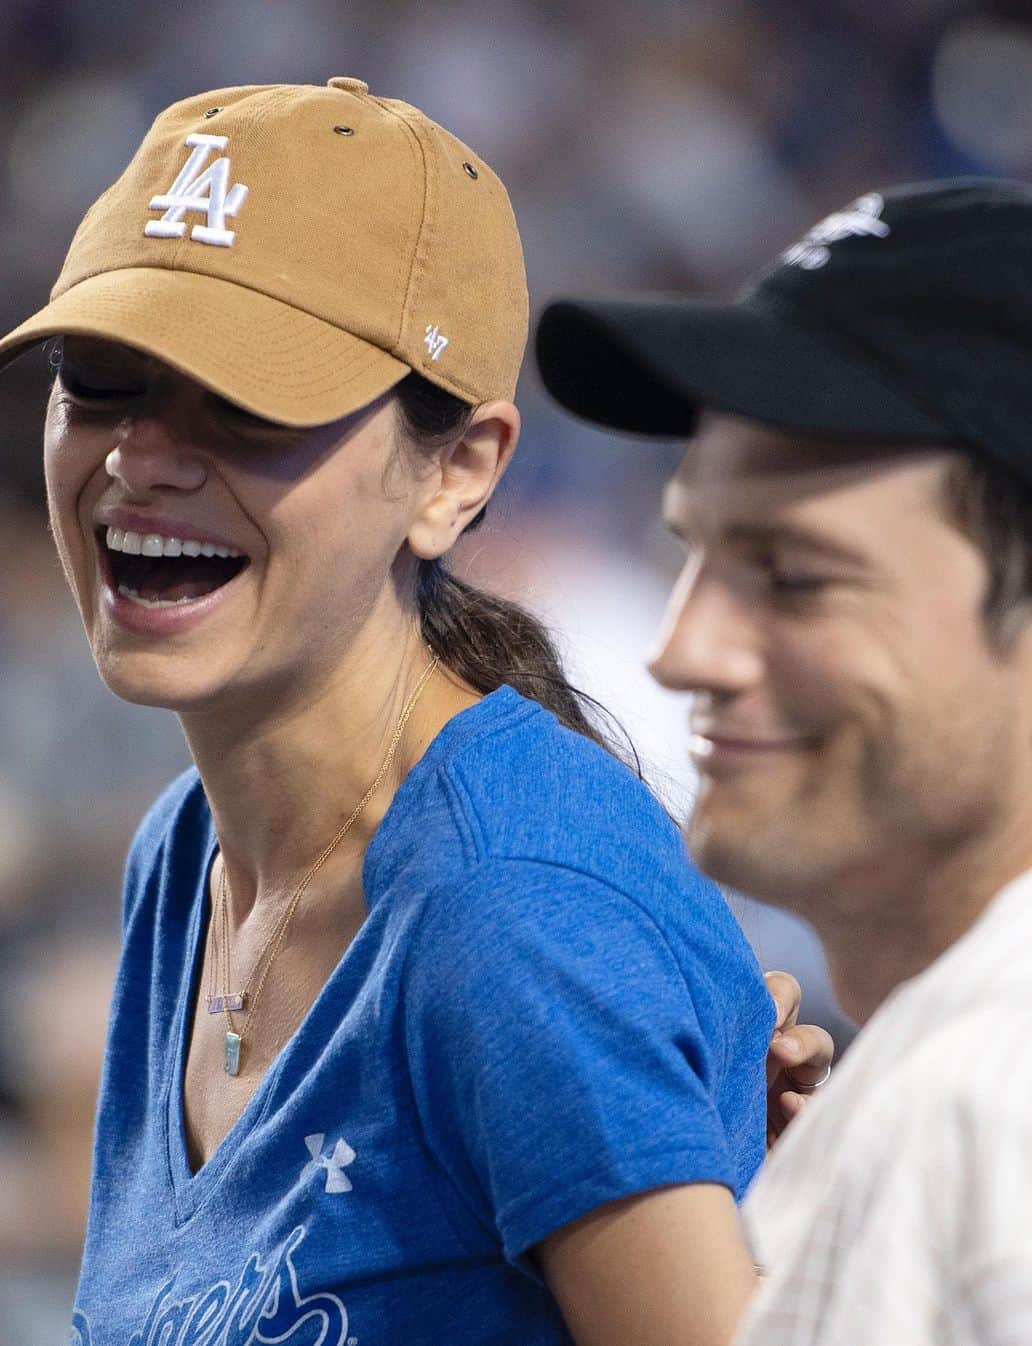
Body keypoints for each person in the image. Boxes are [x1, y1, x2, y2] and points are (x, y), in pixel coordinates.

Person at [0, 79, 828, 1346]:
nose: (140, 456)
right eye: (105, 376)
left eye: (249, 398)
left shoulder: (513, 905)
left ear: (458, 470)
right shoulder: (185, 852)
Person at [536, 177, 1032, 1344]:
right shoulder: (953, 1093)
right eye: (694, 552)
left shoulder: (1005, 1118)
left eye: (795, 575)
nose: (683, 649)